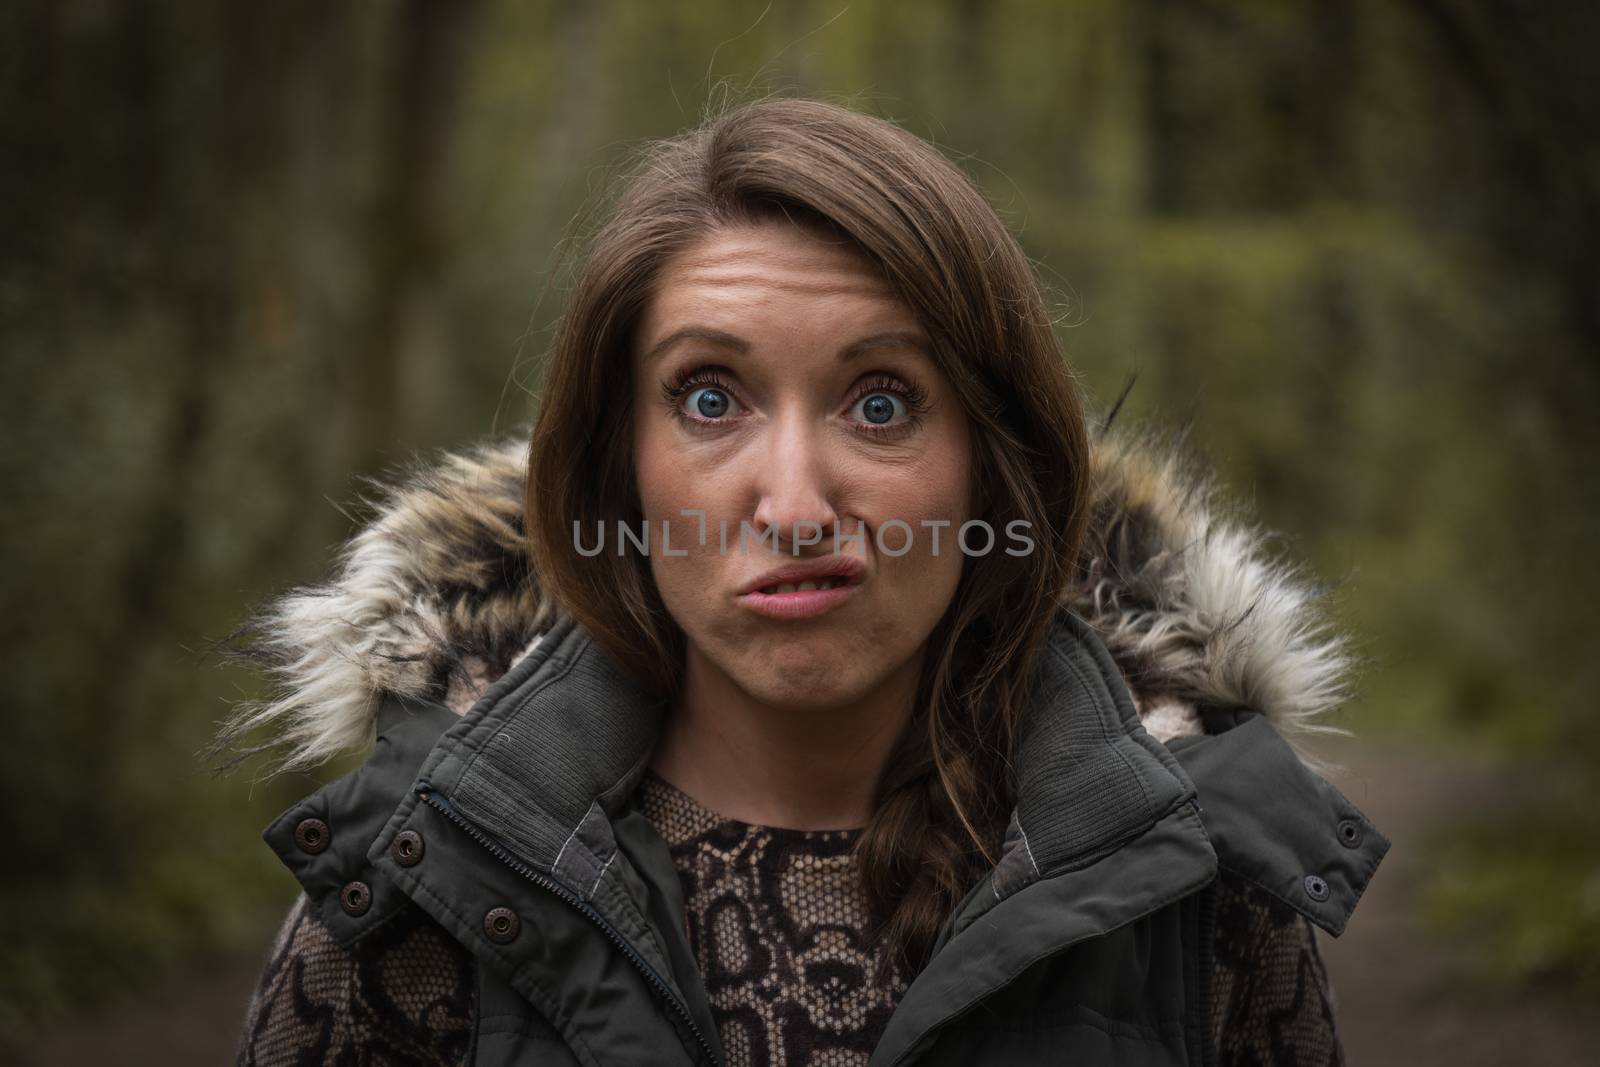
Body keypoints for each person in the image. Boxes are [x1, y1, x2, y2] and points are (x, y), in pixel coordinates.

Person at [217, 97, 1388, 1067]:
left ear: (992, 467)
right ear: (616, 467)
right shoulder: (420, 882)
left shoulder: (1193, 881)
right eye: (709, 398)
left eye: (880, 402)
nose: (793, 504)